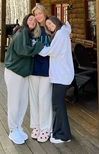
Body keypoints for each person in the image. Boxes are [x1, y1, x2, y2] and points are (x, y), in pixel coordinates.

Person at [4, 14, 43, 145]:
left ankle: (18, 127)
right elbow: (23, 51)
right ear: (26, 21)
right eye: (30, 19)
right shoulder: (22, 32)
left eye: (35, 20)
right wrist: (39, 46)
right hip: (14, 72)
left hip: (23, 74)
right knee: (14, 102)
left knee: (23, 102)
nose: (33, 21)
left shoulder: (29, 34)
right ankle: (12, 130)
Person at [39, 16, 74, 144]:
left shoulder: (60, 35)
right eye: (47, 25)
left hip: (62, 75)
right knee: (58, 104)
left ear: (56, 22)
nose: (49, 26)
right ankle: (59, 131)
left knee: (58, 104)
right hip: (62, 74)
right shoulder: (63, 32)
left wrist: (38, 48)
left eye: (50, 23)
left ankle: (64, 135)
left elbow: (52, 51)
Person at [29, 4, 52, 142]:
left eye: (39, 13)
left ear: (44, 13)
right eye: (35, 14)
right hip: (33, 68)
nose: (38, 16)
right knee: (34, 99)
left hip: (46, 69)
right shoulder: (33, 30)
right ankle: (36, 125)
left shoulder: (50, 28)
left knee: (44, 99)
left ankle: (46, 128)